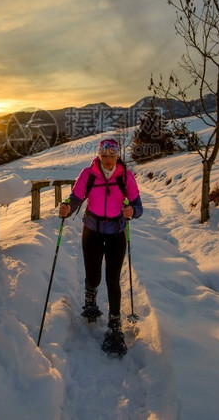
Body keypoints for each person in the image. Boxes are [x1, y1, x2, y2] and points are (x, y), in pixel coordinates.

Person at [58, 138, 144, 353]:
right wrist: (67, 207)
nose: (107, 160)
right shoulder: (88, 174)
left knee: (113, 279)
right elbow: (76, 197)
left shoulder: (125, 176)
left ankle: (115, 325)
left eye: (111, 155)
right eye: (104, 155)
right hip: (92, 231)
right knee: (94, 275)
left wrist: (131, 211)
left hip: (116, 233)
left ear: (117, 156)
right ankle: (90, 300)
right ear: (98, 155)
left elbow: (138, 206)